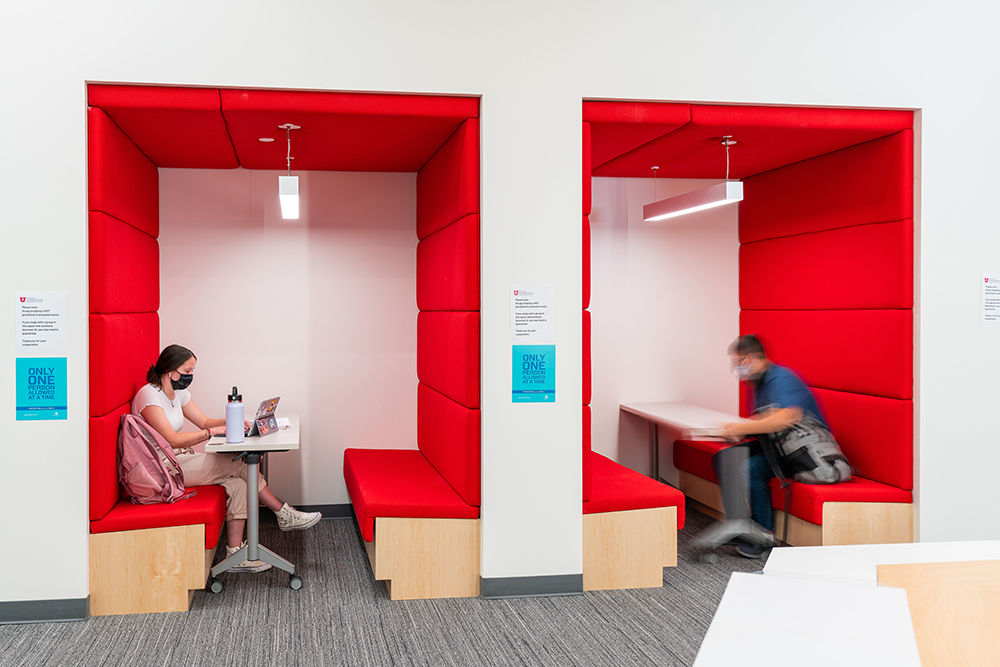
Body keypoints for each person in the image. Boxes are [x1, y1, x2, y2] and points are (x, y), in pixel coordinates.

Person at [133, 344, 321, 572]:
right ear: (170, 370)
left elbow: (203, 422)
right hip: (162, 469)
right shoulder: (149, 395)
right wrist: (212, 433)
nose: (190, 377)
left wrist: (228, 421)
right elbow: (172, 439)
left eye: (192, 371)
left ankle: (236, 554)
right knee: (241, 463)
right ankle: (283, 513)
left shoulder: (178, 393)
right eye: (187, 371)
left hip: (180, 459)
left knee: (239, 484)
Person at [717, 335, 832, 559]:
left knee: (751, 469)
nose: (739, 371)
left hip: (803, 451)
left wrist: (742, 428)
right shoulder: (758, 384)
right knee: (723, 458)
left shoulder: (781, 379)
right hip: (778, 445)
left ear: (752, 358)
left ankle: (763, 535)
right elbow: (764, 421)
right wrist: (738, 432)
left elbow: (786, 417)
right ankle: (741, 525)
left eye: (739, 364)